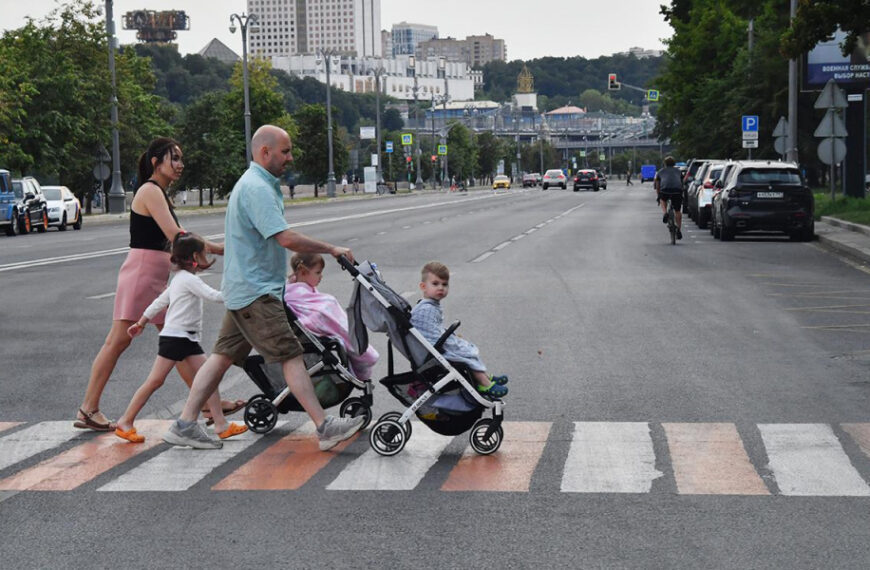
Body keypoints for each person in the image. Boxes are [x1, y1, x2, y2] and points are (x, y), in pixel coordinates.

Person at [162, 125, 365, 450]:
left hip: (245, 289)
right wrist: (331, 248)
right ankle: (324, 427)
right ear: (264, 152)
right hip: (256, 293)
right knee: (291, 355)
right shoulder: (257, 188)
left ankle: (185, 423)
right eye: (285, 151)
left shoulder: (255, 185)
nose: (290, 157)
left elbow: (245, 240)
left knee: (220, 359)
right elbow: (283, 237)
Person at [75, 138, 232, 432]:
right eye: (174, 158)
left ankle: (212, 405)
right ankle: (88, 408)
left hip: (151, 275)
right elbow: (178, 236)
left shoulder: (158, 192)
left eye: (181, 158)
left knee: (180, 342)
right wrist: (221, 249)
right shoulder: (150, 191)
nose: (180, 164)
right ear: (156, 161)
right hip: (143, 274)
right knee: (121, 341)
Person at [115, 232, 247, 443]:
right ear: (194, 256)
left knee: (209, 377)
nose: (206, 257)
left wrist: (141, 322)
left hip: (184, 338)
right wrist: (240, 292)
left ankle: (221, 425)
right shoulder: (188, 280)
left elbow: (159, 302)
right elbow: (213, 296)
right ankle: (125, 421)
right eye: (204, 253)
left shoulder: (179, 279)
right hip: (177, 338)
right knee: (156, 381)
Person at [410, 261, 508, 399]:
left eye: (444, 284)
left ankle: (484, 376)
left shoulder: (429, 305)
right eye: (435, 284)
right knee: (465, 352)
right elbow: (431, 336)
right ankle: (484, 383)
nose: (441, 288)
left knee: (464, 347)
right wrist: (452, 342)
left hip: (433, 348)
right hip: (432, 352)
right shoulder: (426, 309)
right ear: (423, 287)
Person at [284, 253, 379, 380]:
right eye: (317, 273)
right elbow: (313, 317)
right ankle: (363, 353)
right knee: (330, 306)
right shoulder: (297, 294)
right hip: (318, 331)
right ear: (302, 272)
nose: (321, 276)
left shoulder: (291, 290)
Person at [655, 156, 684, 240]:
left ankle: (665, 213)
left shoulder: (660, 172)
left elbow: (657, 186)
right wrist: (681, 193)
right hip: (677, 191)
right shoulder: (678, 171)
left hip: (665, 190)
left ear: (665, 163)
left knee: (662, 199)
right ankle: (679, 229)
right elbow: (682, 183)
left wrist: (658, 196)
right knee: (678, 210)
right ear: (674, 163)